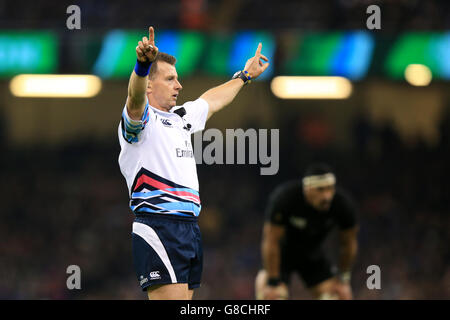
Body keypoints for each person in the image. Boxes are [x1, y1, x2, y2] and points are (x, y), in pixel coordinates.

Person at [118, 26, 269, 300]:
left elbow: (210, 100)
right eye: (171, 79)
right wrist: (141, 66)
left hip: (188, 227)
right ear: (150, 84)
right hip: (159, 224)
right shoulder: (140, 121)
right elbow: (135, 97)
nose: (179, 85)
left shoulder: (180, 118)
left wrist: (245, 75)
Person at [255, 163, 359, 300]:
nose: (327, 196)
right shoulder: (285, 199)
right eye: (320, 189)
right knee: (269, 296)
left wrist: (343, 280)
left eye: (330, 189)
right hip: (281, 256)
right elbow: (271, 241)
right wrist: (273, 282)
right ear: (307, 189)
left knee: (338, 296)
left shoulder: (342, 205)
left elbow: (349, 244)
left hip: (312, 256)